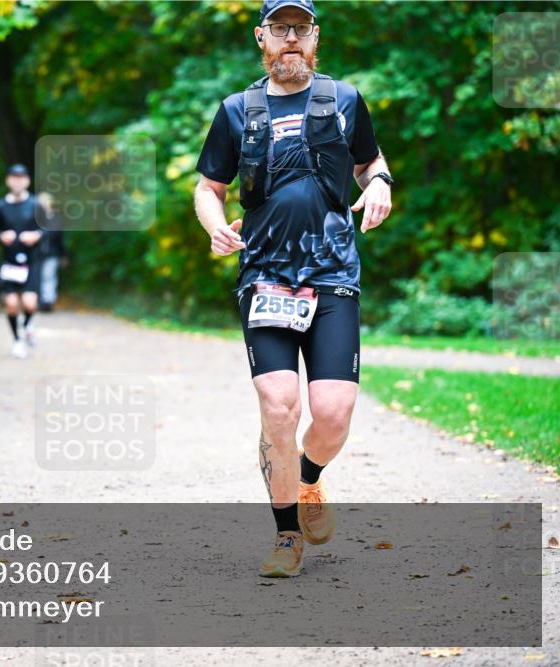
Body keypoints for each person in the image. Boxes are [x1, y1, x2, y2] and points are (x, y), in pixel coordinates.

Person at [193, 0, 393, 577]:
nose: (290, 38)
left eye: (300, 29)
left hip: (332, 274)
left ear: (315, 37)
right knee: (279, 407)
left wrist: (380, 181)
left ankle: (308, 480)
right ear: (261, 37)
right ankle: (286, 536)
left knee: (332, 414)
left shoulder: (345, 100)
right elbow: (209, 188)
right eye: (279, 28)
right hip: (265, 276)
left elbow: (370, 161)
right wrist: (214, 227)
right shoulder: (237, 111)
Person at [0, 164, 44, 358]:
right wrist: (1, 236)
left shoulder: (36, 204)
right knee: (11, 304)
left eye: (21, 178)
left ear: (27, 181)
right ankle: (17, 340)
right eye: (14, 177)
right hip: (9, 262)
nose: (17, 181)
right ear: (8, 181)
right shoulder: (1, 206)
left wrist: (36, 235)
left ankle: (28, 324)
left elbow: (48, 228)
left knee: (30, 303)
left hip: (32, 261)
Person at [36, 192, 66, 312]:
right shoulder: (35, 218)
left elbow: (60, 239)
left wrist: (63, 254)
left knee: (49, 276)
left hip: (52, 253)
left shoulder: (56, 219)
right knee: (38, 276)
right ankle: (39, 301)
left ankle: (48, 301)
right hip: (37, 254)